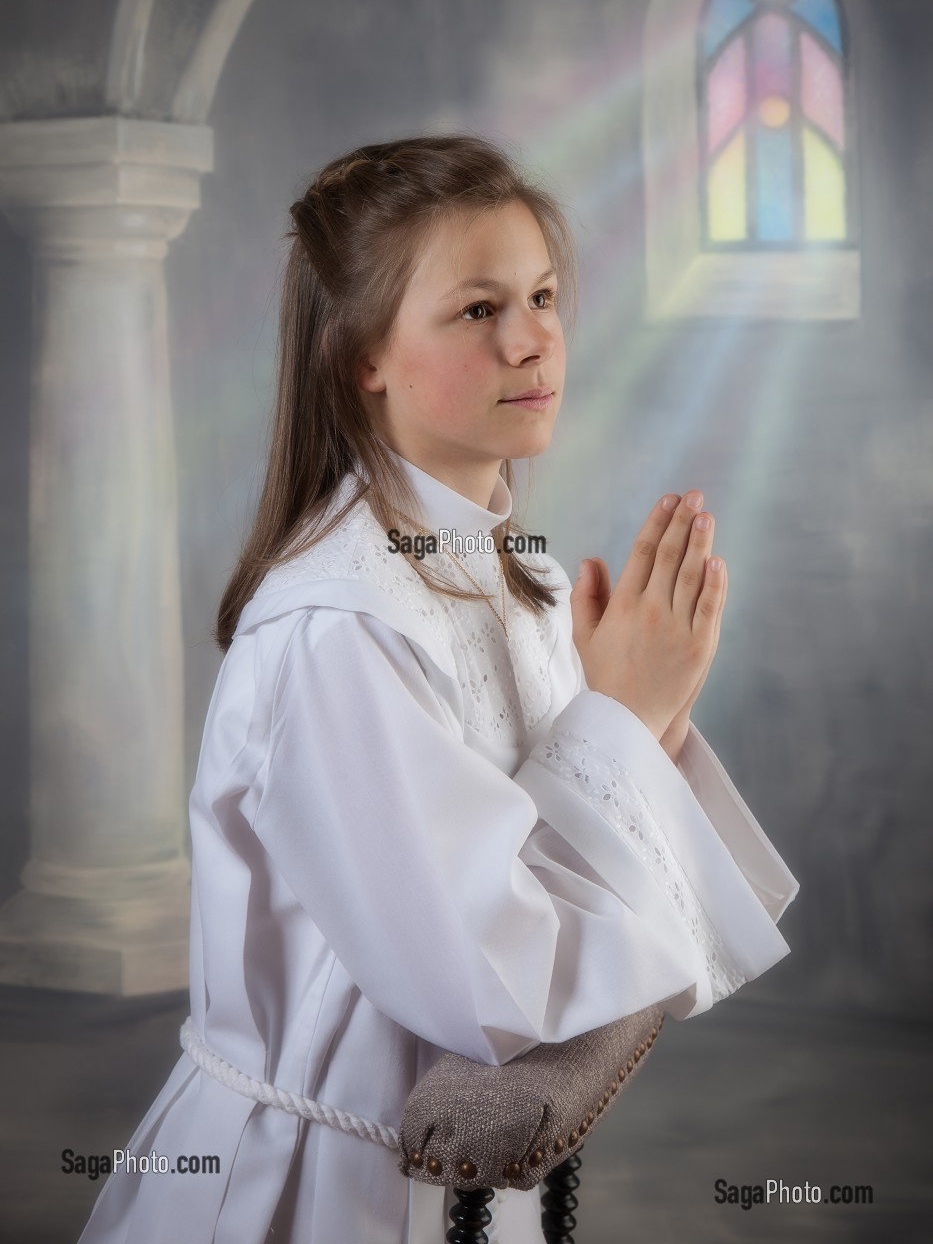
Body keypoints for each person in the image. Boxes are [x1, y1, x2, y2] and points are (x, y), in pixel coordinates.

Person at [78, 134, 798, 1244]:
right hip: (319, 1184)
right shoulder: (339, 628)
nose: (532, 339)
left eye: (544, 295)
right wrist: (622, 717)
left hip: (466, 1187)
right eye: (477, 310)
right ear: (363, 352)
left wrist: (643, 708)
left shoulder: (525, 578)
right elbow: (491, 981)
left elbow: (559, 852)